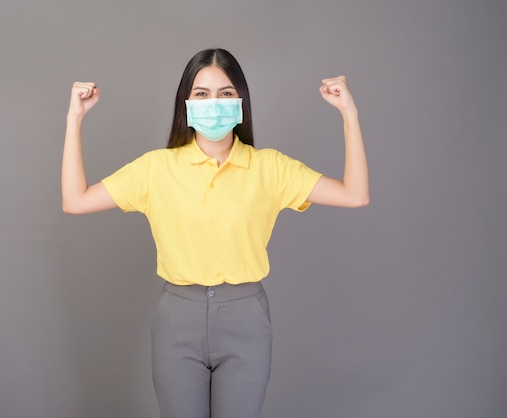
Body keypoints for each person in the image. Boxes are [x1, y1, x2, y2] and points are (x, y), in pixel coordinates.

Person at [61, 48, 369, 418]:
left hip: (246, 317)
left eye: (225, 93)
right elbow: (75, 200)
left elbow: (355, 194)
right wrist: (74, 118)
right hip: (177, 318)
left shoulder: (269, 168)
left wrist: (349, 114)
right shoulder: (156, 169)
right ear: (186, 103)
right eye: (202, 93)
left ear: (240, 100)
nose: (213, 103)